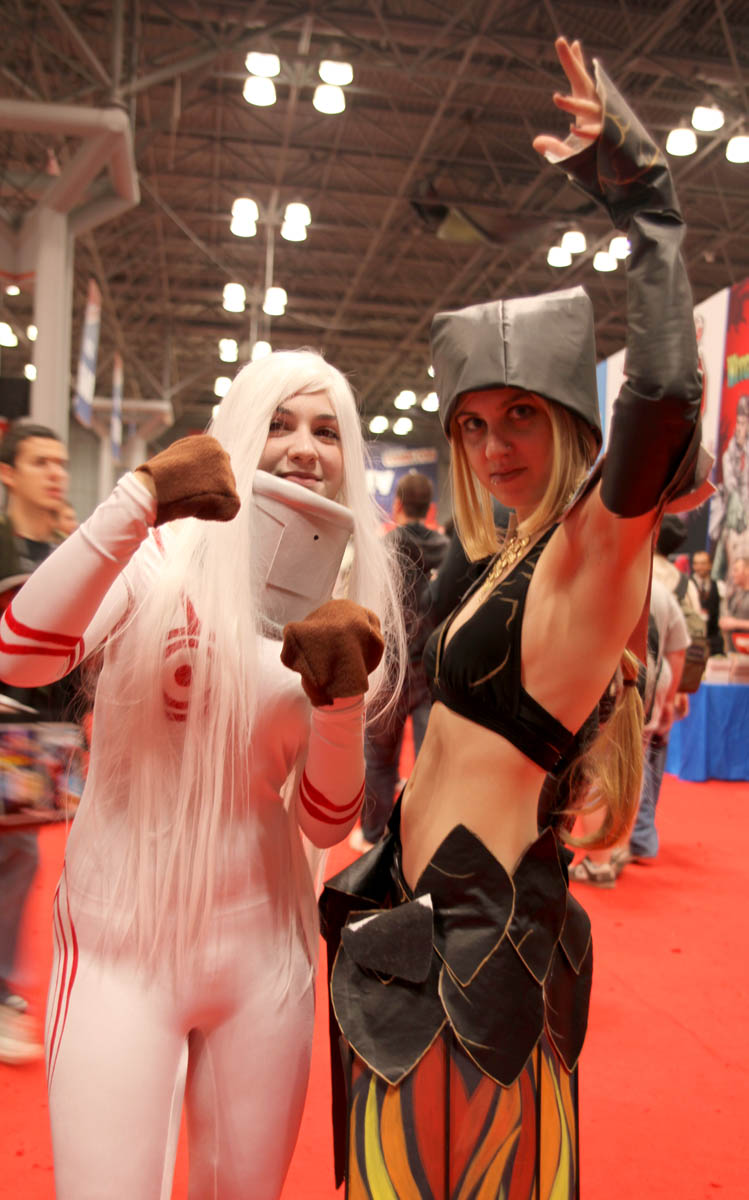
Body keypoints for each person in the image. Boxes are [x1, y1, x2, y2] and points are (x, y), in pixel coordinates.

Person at [319, 36, 708, 1198]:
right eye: (474, 424)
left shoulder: (591, 547)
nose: (493, 446)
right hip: (405, 924)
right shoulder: (493, 560)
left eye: (520, 416)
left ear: (566, 419)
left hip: (483, 946)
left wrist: (645, 205)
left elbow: (661, 394)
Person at [0, 350, 405, 1199]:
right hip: (118, 945)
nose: (303, 447)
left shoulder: (347, 601)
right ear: (241, 430)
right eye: (281, 423)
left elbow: (326, 821)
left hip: (264, 952)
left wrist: (338, 705)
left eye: (326, 430)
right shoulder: (157, 554)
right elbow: (21, 654)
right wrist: (136, 502)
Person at [0, 421, 69, 1065]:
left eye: (61, 462)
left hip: (42, 738)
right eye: (40, 462)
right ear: (8, 473)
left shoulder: (70, 554)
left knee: (20, 859)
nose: (55, 474)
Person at [355, 471, 448, 848]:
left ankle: (372, 835)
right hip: (430, 671)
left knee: (379, 761)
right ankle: (421, 840)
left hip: (389, 669)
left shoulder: (383, 548)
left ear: (397, 504)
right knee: (429, 766)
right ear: (429, 507)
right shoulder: (447, 550)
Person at [691, 548, 723, 655]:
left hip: (713, 639)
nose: (699, 567)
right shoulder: (687, 585)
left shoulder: (718, 585)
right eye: (696, 563)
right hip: (693, 639)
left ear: (710, 565)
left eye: (703, 563)